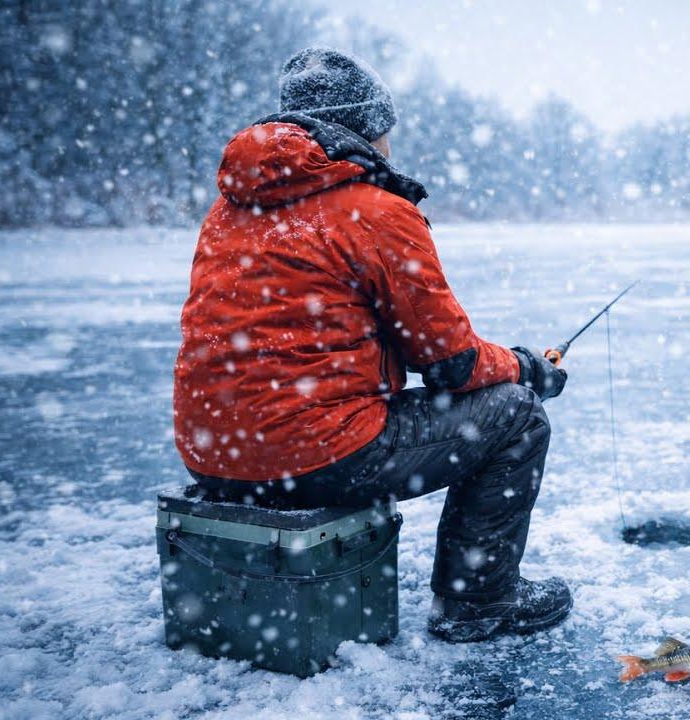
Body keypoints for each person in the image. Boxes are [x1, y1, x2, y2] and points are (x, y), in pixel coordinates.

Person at [172, 47, 571, 643]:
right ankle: (478, 602)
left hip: (215, 457)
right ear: (365, 129)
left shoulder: (228, 210)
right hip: (316, 455)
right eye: (386, 130)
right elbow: (451, 362)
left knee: (486, 404)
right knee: (516, 415)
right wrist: (523, 366)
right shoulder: (376, 212)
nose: (389, 145)